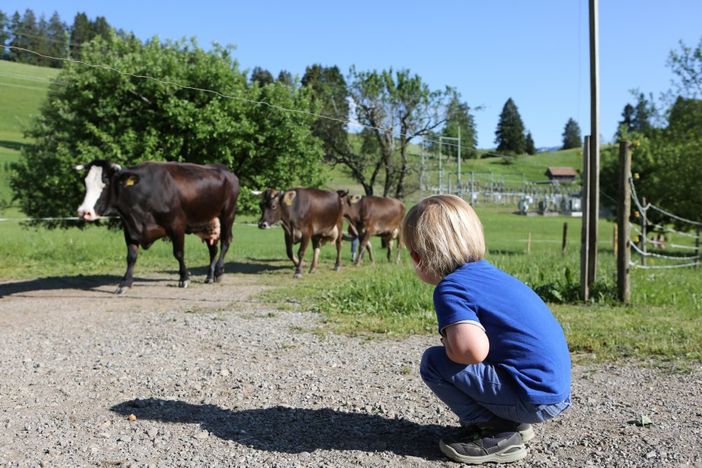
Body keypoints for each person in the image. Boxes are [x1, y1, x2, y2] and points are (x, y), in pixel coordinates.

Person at [401, 194, 571, 465]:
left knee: (434, 362)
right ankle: (512, 421)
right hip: (552, 391)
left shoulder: (451, 287)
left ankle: (498, 432)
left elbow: (471, 351)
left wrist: (449, 342)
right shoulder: (491, 276)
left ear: (418, 256)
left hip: (534, 397)